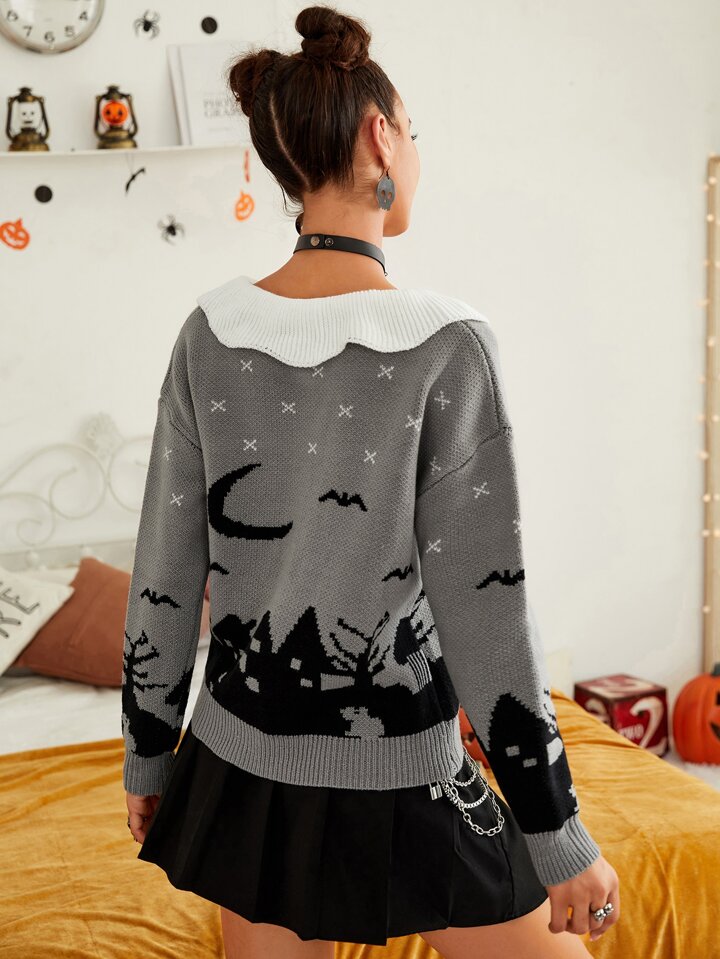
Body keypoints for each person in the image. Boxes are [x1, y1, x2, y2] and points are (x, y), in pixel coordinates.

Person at [122, 5, 620, 958]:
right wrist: (556, 830)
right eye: (414, 133)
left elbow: (164, 570)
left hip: (237, 764)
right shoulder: (448, 344)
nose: (417, 156)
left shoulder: (208, 334)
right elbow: (489, 609)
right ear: (381, 136)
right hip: (406, 767)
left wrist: (149, 756)